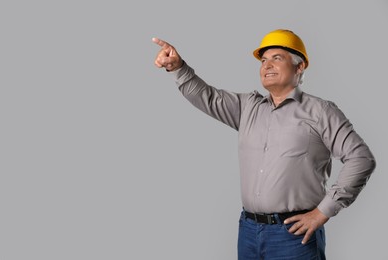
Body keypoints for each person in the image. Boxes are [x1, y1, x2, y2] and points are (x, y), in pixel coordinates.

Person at [152, 29, 376, 260]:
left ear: (300, 67)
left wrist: (323, 212)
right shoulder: (248, 107)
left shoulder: (320, 111)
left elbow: (361, 158)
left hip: (294, 235)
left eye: (277, 58)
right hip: (249, 231)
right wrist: (177, 67)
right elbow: (207, 96)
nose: (267, 65)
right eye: (263, 60)